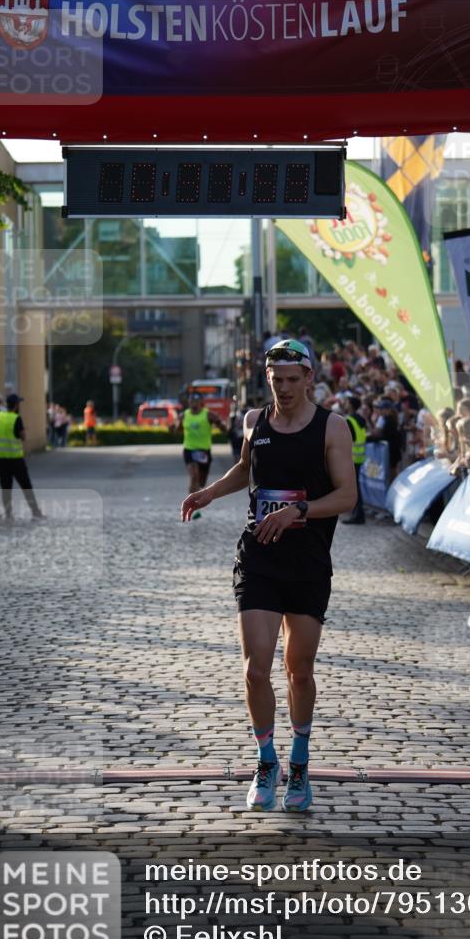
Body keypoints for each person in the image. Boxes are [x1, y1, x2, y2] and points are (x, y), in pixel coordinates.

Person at [180, 339, 356, 812]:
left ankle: (299, 762)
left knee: (299, 670)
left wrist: (298, 510)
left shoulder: (331, 427)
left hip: (308, 562)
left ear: (309, 378)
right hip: (258, 556)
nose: (284, 389)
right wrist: (209, 494)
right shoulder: (254, 422)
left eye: (292, 380)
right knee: (256, 668)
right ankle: (266, 760)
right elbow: (245, 467)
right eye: (276, 381)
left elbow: (347, 497)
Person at [0, 394, 44, 520]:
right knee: (26, 486)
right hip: (15, 459)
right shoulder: (16, 418)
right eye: (19, 403)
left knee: (6, 487)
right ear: (16, 405)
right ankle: (35, 512)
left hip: (0, 458)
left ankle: (8, 514)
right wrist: (23, 430)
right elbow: (23, 436)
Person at [181, 391, 223, 496]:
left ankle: (196, 497)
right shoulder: (184, 415)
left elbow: (224, 429)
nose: (193, 403)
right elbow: (176, 430)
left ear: (201, 402)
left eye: (196, 400)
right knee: (194, 476)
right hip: (189, 450)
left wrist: (218, 422)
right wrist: (172, 428)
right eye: (191, 400)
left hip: (204, 451)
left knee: (202, 482)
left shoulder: (208, 414)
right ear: (188, 402)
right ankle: (193, 507)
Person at [343, 395, 367, 525]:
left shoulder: (348, 420)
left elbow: (346, 441)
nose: (345, 404)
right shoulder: (361, 419)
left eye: (347, 402)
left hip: (351, 458)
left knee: (354, 489)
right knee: (356, 487)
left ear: (351, 405)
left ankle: (358, 516)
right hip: (360, 457)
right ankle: (358, 515)